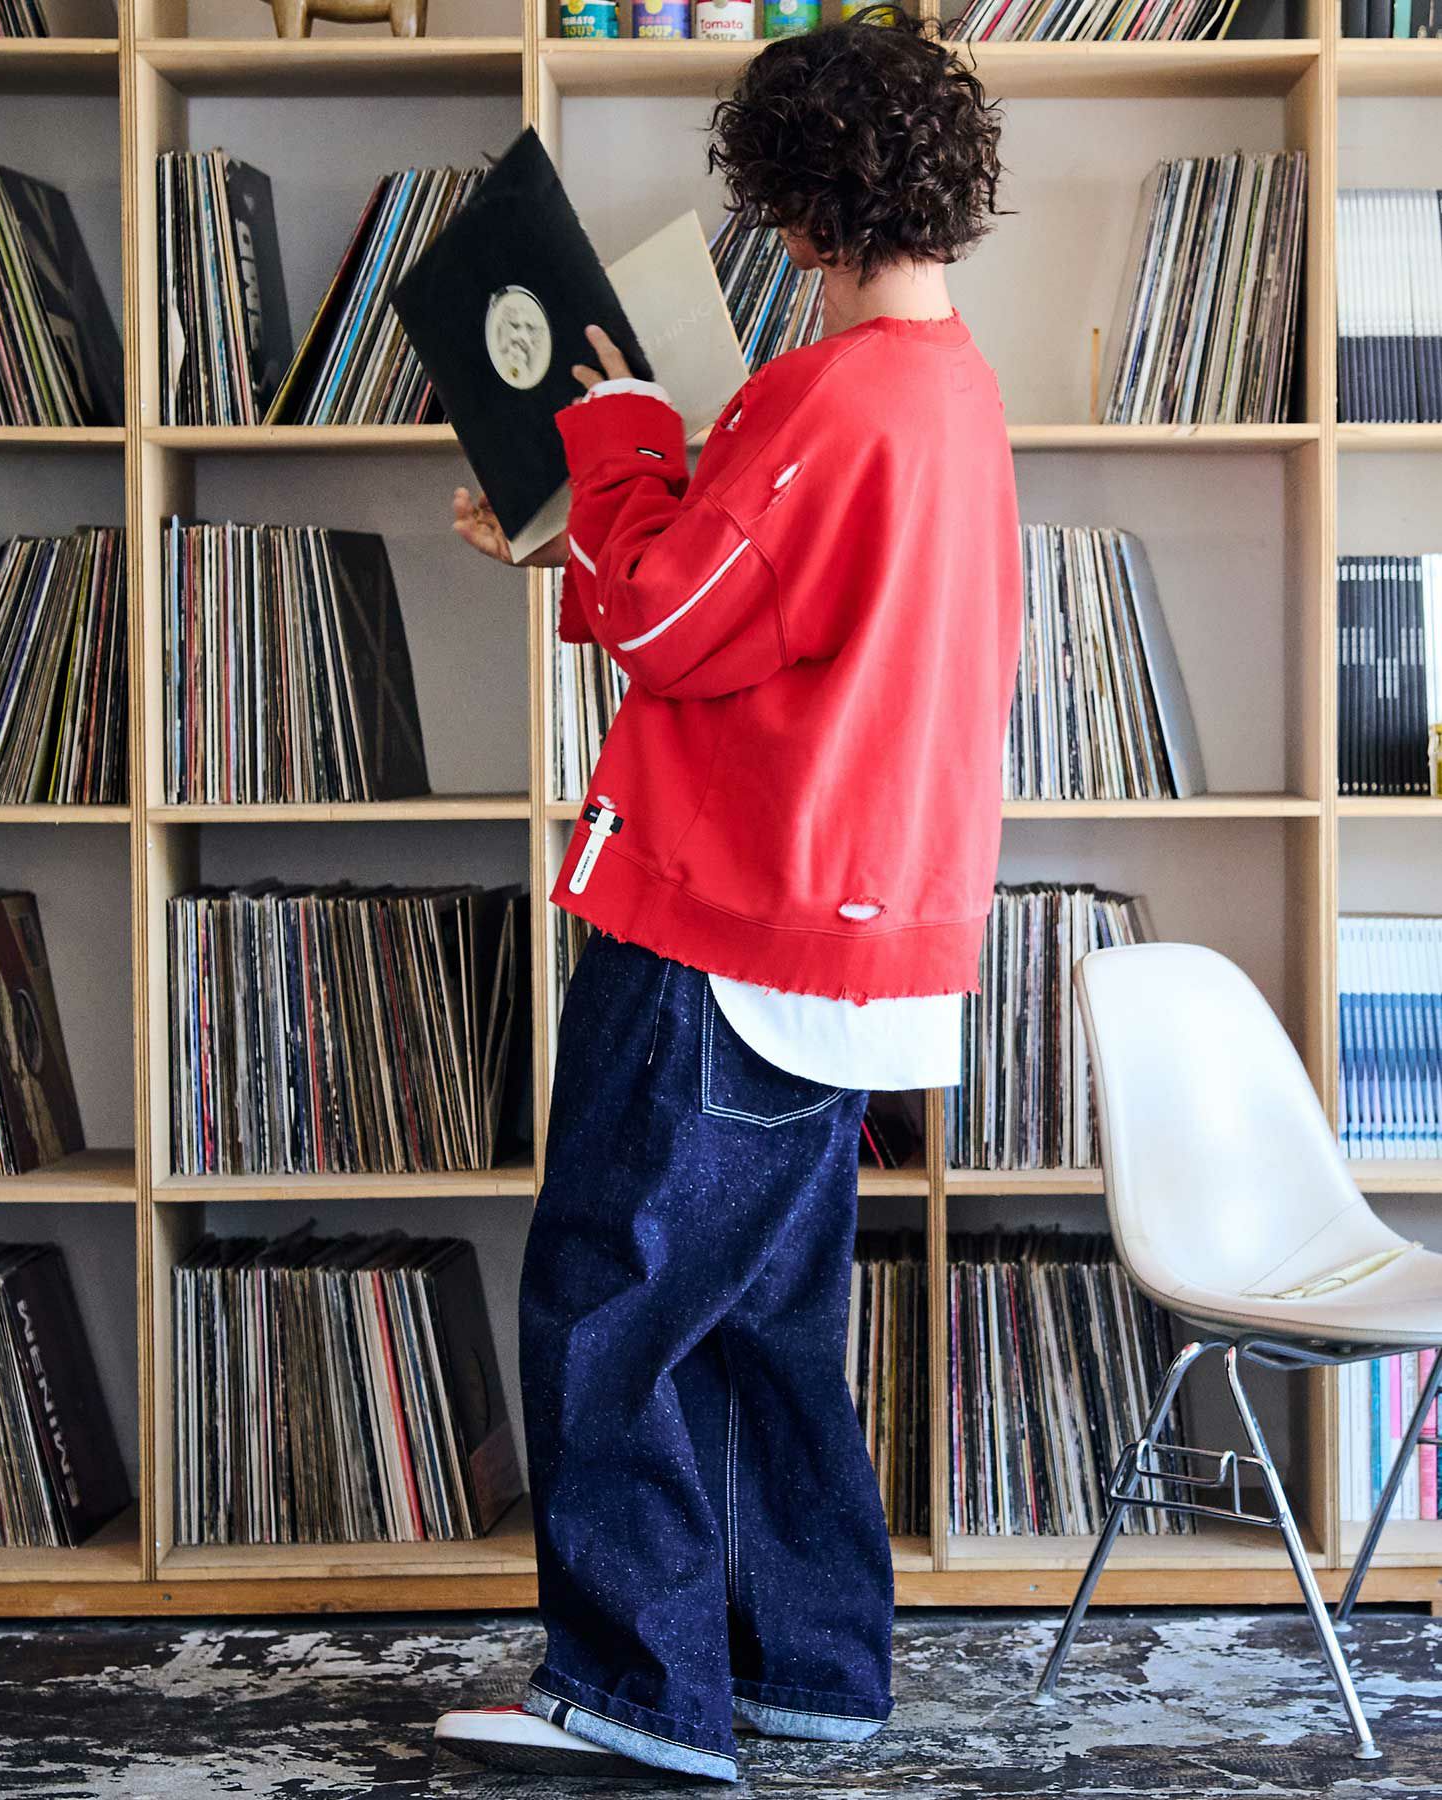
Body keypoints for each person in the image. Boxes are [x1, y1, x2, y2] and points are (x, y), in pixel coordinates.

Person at [435, 6, 1021, 1781]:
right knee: (766, 1319)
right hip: (851, 939)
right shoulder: (952, 391)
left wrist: (612, 440)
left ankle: (631, 1693)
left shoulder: (832, 397)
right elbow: (770, 611)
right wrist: (585, 534)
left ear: (798, 210)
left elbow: (678, 623)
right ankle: (806, 1665)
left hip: (727, 924)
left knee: (608, 1300)